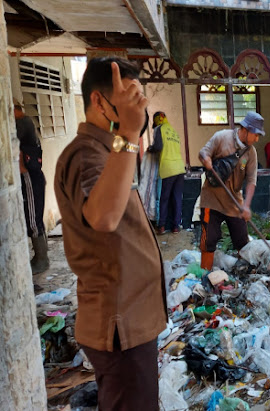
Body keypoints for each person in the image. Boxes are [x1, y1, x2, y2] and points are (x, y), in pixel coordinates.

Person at [54, 57, 166, 410]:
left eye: (141, 98)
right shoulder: (87, 154)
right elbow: (103, 217)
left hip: (131, 322)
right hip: (119, 326)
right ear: (100, 102)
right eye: (131, 95)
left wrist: (125, 138)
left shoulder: (109, 149)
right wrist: (129, 134)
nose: (140, 105)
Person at [198, 111, 261, 270]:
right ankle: (205, 276)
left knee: (242, 241)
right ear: (245, 130)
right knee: (209, 240)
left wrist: (246, 206)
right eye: (255, 134)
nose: (257, 139)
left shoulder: (251, 153)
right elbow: (203, 152)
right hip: (211, 199)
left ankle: (244, 275)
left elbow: (252, 181)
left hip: (234, 203)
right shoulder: (221, 137)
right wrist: (206, 159)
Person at [14, 99, 49, 273]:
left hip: (30, 176)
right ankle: (41, 257)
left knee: (33, 219)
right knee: (34, 216)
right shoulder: (23, 123)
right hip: (30, 176)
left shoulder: (24, 122)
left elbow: (13, 141)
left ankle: (42, 259)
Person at [148, 111, 186, 234]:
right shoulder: (174, 132)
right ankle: (176, 226)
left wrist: (151, 148)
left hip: (168, 168)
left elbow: (158, 147)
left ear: (157, 120)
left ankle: (162, 226)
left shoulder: (160, 129)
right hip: (180, 168)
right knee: (177, 198)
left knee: (164, 198)